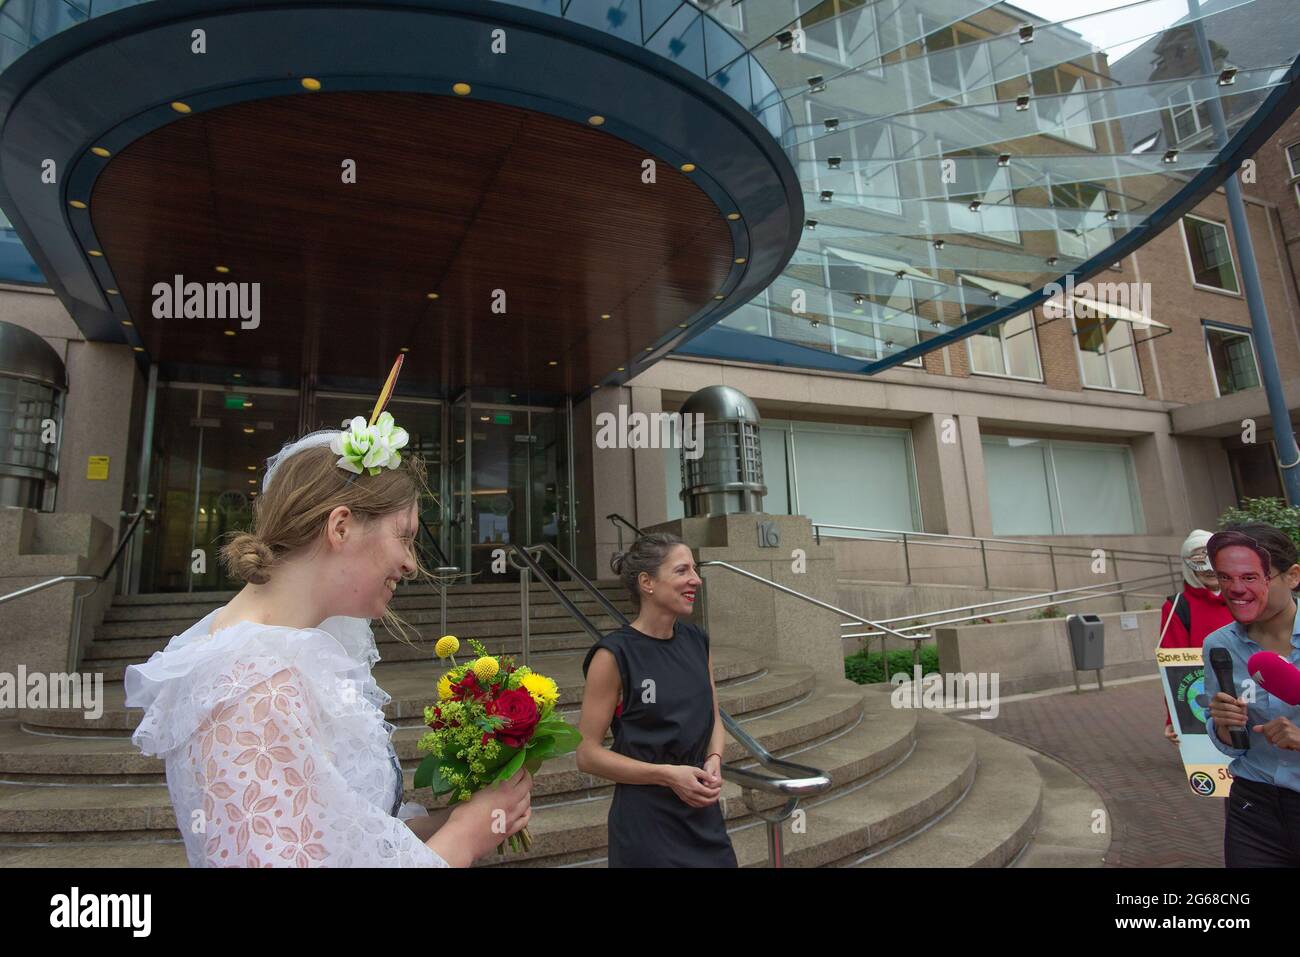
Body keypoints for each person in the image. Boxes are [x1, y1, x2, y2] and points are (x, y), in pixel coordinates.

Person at [124, 416, 531, 867]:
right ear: (340, 527)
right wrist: (464, 837)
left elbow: (341, 836)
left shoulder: (280, 659)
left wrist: (457, 820)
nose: (412, 565)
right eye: (406, 537)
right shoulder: (249, 688)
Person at [577, 533, 738, 867]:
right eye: (682, 571)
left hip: (702, 817)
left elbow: (713, 717)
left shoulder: (697, 640)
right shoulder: (613, 654)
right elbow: (587, 755)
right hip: (646, 824)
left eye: (694, 569)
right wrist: (667, 775)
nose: (696, 579)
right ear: (647, 582)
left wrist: (714, 757)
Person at [1203, 523, 1300, 867]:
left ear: (1292, 576)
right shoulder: (1219, 646)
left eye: (1251, 577)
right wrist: (1224, 727)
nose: (1235, 590)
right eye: (1224, 577)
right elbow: (1229, 743)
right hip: (1252, 806)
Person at [1159, 529, 1232, 745]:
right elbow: (1174, 667)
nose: (1208, 567)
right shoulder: (1177, 607)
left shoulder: (1244, 597)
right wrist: (1174, 717)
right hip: (1205, 699)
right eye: (1199, 558)